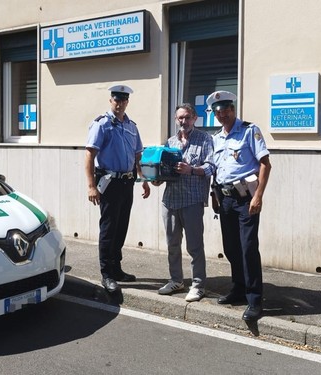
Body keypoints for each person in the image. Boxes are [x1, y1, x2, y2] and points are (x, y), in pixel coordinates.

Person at [207, 90, 272, 321]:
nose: (222, 114)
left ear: (233, 109)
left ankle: (254, 300)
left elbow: (265, 164)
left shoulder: (249, 131)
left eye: (225, 109)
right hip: (225, 199)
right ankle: (239, 288)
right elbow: (215, 169)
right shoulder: (216, 138)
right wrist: (214, 195)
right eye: (217, 111)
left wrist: (259, 196)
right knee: (231, 248)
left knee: (247, 248)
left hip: (246, 199)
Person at [85, 84, 150, 293]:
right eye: (116, 99)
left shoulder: (131, 126)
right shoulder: (101, 124)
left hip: (127, 182)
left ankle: (117, 268)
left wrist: (144, 179)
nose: (119, 103)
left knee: (121, 227)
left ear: (127, 102)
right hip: (109, 183)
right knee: (108, 228)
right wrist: (91, 187)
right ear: (110, 100)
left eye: (123, 100)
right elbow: (89, 156)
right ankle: (106, 274)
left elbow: (137, 156)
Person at [152, 103, 215, 302]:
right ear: (175, 119)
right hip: (170, 200)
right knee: (172, 244)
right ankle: (176, 280)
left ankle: (198, 285)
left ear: (195, 118)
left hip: (192, 200)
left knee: (195, 246)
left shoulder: (205, 139)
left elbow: (211, 167)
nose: (183, 121)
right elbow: (164, 169)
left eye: (187, 117)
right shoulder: (170, 142)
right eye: (180, 118)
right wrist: (156, 178)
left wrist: (191, 169)